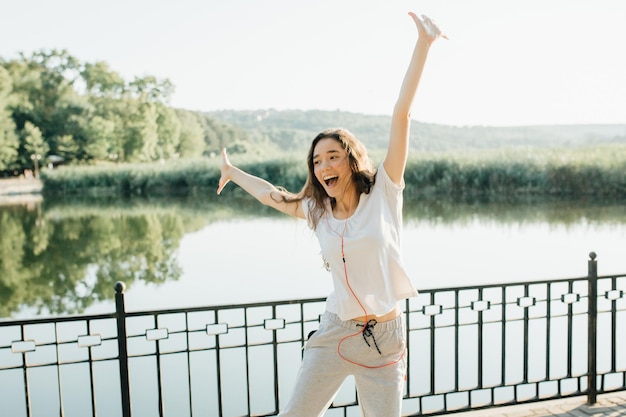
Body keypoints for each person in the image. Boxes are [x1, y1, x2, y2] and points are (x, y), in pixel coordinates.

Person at [217, 10, 445, 417]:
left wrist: (423, 45)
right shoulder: (317, 211)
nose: (323, 167)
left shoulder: (385, 194)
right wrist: (234, 173)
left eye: (333, 157)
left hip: (385, 339)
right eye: (317, 160)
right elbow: (273, 195)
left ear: (351, 161)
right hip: (336, 332)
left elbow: (401, 115)